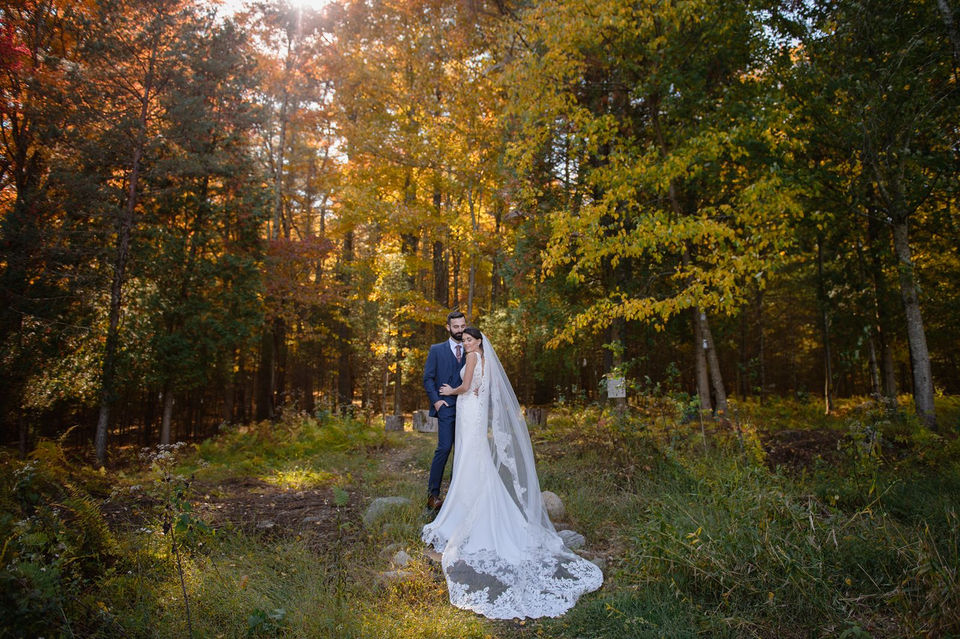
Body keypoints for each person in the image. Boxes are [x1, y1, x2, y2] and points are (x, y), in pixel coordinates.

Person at [422, 327, 603, 619]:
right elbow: (483, 388)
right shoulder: (484, 358)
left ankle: (467, 508)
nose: (466, 343)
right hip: (477, 412)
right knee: (474, 455)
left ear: (478, 341)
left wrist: (449, 391)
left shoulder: (471, 359)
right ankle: (475, 498)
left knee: (469, 456)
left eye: (470, 339)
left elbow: (467, 387)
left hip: (469, 410)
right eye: (464, 340)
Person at [422, 311, 467, 510]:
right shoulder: (437, 350)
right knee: (445, 447)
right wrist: (437, 402)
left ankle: (460, 494)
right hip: (446, 407)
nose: (459, 330)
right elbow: (428, 378)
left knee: (465, 451)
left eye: (462, 326)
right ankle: (433, 495)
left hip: (468, 408)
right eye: (456, 327)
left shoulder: (472, 347)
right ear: (448, 327)